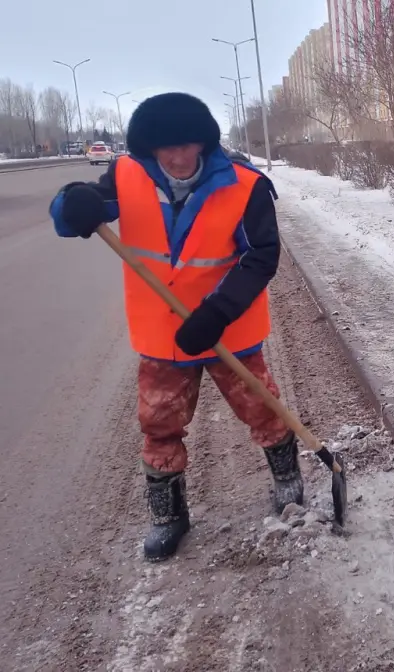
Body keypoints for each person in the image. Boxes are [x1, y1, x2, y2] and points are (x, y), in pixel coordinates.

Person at [49, 92, 302, 562]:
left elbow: (262, 255)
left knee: (263, 407)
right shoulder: (126, 176)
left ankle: (288, 481)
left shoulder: (245, 185)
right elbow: (77, 213)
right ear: (150, 148)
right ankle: (169, 515)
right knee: (159, 423)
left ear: (204, 143)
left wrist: (217, 311)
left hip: (228, 328)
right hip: (164, 334)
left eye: (188, 145)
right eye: (167, 147)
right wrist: (72, 204)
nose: (179, 157)